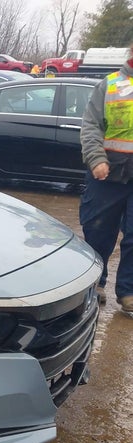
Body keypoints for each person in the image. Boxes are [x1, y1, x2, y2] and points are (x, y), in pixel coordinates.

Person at [79, 42, 133, 312]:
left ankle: (129, 292)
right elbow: (90, 126)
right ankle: (95, 282)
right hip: (108, 173)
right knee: (98, 230)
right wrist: (96, 159)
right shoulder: (109, 86)